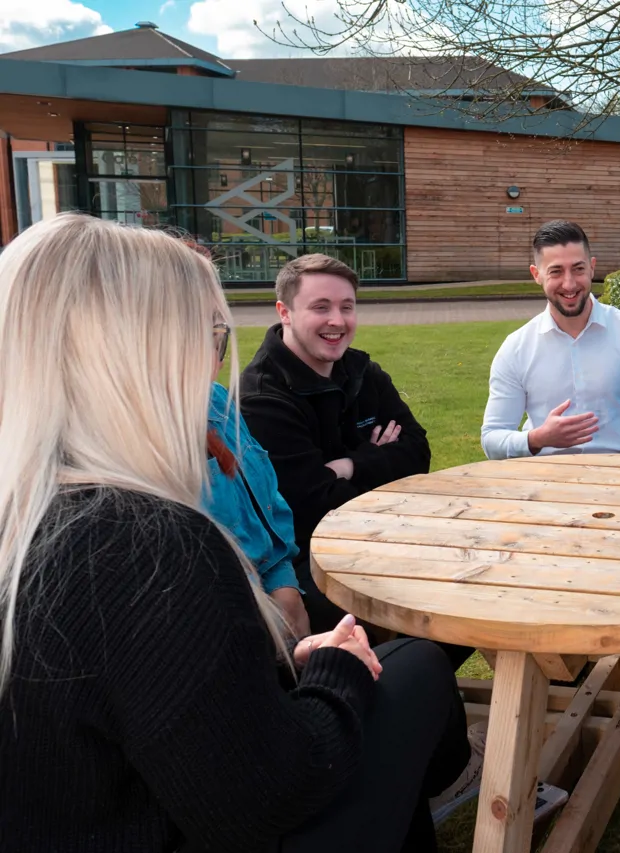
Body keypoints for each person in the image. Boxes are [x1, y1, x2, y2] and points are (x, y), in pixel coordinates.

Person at [0, 214, 471, 853]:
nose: (214, 360)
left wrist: (276, 662)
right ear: (138, 356)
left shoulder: (34, 518)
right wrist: (335, 673)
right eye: (209, 336)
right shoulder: (146, 547)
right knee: (414, 665)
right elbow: (266, 795)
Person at [239, 254, 440, 642]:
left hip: (384, 537)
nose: (337, 321)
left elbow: (418, 453)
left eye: (346, 307)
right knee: (427, 620)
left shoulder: (362, 372)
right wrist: (381, 461)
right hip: (309, 563)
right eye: (321, 307)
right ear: (285, 312)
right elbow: (314, 506)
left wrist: (348, 464)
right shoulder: (262, 400)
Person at [480, 220, 620, 459]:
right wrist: (536, 439)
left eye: (578, 269)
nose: (569, 283)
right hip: (542, 479)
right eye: (556, 271)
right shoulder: (516, 348)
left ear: (592, 268)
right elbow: (492, 438)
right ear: (537, 275)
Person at [207, 376, 311, 639]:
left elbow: (265, 512)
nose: (213, 359)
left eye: (218, 339)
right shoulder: (137, 448)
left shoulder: (216, 400)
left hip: (277, 606)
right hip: (231, 629)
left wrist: (285, 588)